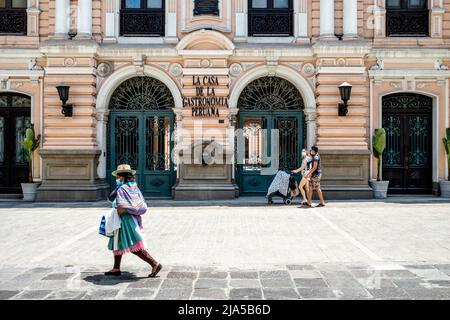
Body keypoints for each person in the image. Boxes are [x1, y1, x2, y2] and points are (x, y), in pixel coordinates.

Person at [105, 164, 163, 278]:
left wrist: (115, 212)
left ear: (122, 177)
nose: (116, 179)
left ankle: (155, 264)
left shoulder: (122, 189)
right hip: (132, 218)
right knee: (118, 243)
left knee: (133, 245)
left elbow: (121, 208)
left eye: (117, 177)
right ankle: (116, 268)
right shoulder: (133, 187)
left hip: (125, 220)